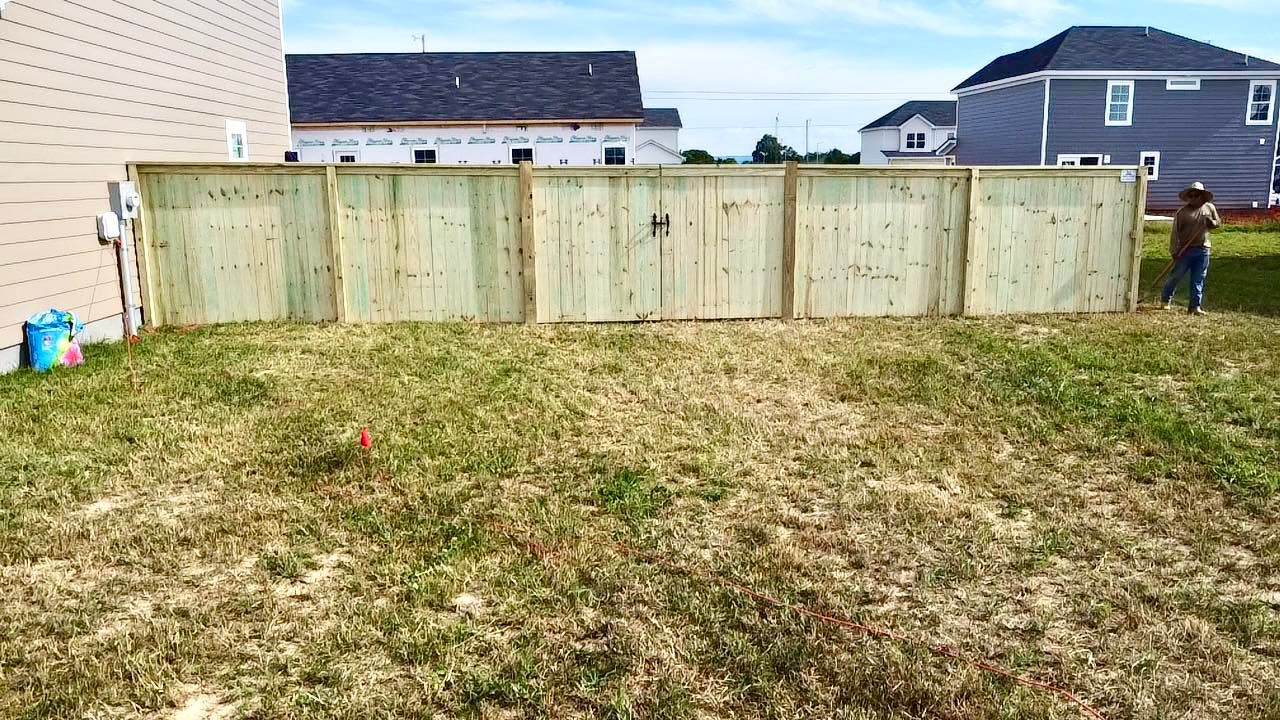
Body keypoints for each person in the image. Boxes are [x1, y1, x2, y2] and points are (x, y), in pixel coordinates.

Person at [1161, 182, 1220, 315]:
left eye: (1196, 195)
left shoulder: (1209, 208)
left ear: (1202, 196)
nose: (1193, 198)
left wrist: (1212, 223)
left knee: (1198, 278)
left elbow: (1217, 223)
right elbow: (1175, 233)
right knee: (1175, 276)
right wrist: (1174, 250)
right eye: (1191, 195)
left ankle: (1194, 307)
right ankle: (1165, 300)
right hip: (1185, 250)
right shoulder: (1182, 212)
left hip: (1203, 249)